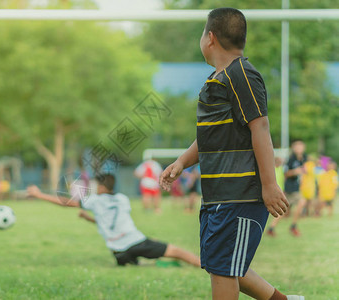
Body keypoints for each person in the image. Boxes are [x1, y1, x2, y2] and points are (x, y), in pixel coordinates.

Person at [159, 8, 303, 300]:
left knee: (225, 268)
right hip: (217, 194)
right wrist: (182, 162)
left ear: (209, 38)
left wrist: (269, 184)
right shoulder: (216, 80)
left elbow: (259, 127)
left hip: (241, 194)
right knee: (222, 265)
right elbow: (210, 137)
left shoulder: (243, 75)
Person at [27, 173, 200, 267]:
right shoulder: (122, 199)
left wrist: (38, 194)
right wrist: (89, 219)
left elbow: (65, 202)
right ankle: (202, 264)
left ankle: (143, 263)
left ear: (101, 187)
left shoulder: (93, 201)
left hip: (119, 253)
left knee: (137, 263)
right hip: (136, 242)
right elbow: (114, 220)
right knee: (176, 251)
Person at [267, 140, 307, 237]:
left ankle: (271, 228)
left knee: (284, 210)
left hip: (296, 188)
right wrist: (295, 172)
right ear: (294, 148)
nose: (300, 149)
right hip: (290, 189)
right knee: (301, 202)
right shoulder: (291, 159)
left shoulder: (302, 158)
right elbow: (286, 173)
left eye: (301, 147)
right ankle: (293, 226)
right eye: (298, 147)